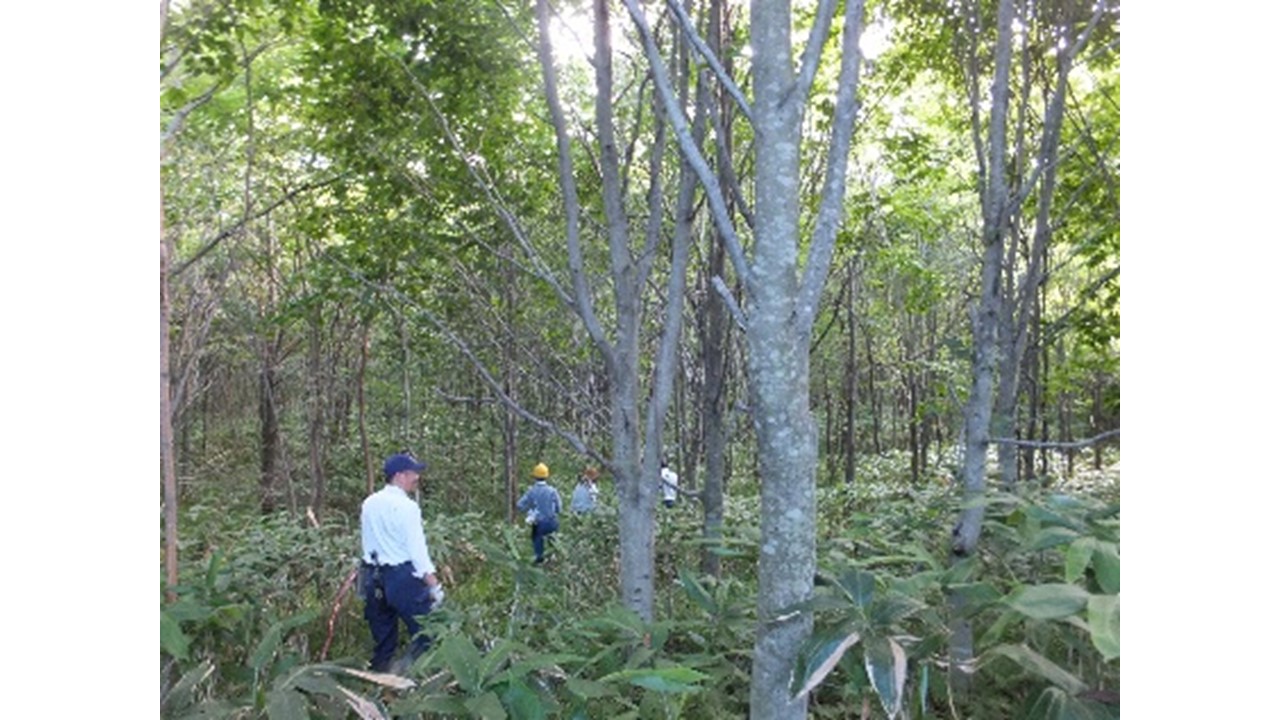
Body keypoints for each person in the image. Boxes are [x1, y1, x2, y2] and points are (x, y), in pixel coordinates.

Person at [360, 452, 445, 673]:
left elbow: (367, 541)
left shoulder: (369, 503)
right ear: (399, 476)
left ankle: (379, 681)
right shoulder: (407, 507)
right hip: (401, 577)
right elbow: (418, 552)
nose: (416, 477)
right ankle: (407, 676)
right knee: (428, 631)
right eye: (412, 473)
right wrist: (433, 585)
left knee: (383, 640)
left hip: (371, 577)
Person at [517, 462, 562, 563]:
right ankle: (553, 560)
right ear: (547, 476)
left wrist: (529, 511)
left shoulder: (531, 491)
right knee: (553, 543)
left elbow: (520, 505)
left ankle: (539, 561)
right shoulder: (552, 491)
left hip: (539, 524)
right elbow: (559, 508)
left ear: (534, 476)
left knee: (538, 543)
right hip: (552, 522)